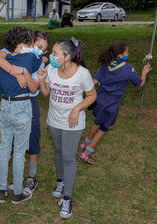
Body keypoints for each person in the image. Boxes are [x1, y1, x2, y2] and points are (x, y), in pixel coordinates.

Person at [37, 37, 97, 219]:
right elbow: (47, 93)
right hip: (54, 119)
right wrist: (41, 80)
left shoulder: (82, 73)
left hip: (73, 122)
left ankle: (67, 198)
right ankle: (61, 182)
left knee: (69, 156)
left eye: (55, 53)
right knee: (58, 151)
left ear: (68, 56)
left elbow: (92, 95)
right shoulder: (51, 69)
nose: (51, 56)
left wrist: (76, 109)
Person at [79, 41, 151, 165]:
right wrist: (144, 73)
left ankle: (85, 143)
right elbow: (140, 83)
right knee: (103, 127)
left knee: (97, 121)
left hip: (99, 99)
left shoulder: (105, 65)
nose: (128, 54)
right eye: (126, 52)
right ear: (119, 55)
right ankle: (87, 153)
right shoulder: (128, 69)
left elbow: (93, 81)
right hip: (111, 105)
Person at [0, 31, 49, 195]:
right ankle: (17, 188)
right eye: (38, 46)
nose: (40, 51)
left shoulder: (32, 58)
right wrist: (19, 72)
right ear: (29, 42)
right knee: (15, 149)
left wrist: (22, 72)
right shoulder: (22, 55)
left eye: (44, 50)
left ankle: (23, 180)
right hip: (21, 103)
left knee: (30, 141)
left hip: (17, 102)